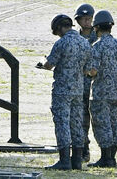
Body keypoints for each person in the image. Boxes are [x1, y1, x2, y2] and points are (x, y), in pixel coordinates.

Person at [36, 14, 92, 171]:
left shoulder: (61, 43)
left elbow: (50, 64)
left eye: (57, 31)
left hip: (62, 90)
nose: (57, 34)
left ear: (60, 28)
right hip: (78, 90)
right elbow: (88, 69)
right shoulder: (85, 43)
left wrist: (43, 64)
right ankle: (77, 161)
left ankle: (64, 161)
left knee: (62, 123)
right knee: (76, 124)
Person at [87, 10, 117, 168]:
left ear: (96, 28)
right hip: (116, 92)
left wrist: (86, 71)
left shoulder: (97, 46)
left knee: (101, 124)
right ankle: (112, 157)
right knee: (113, 123)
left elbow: (93, 71)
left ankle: (106, 158)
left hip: (100, 93)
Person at [74, 3, 97, 162]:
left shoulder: (99, 37)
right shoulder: (74, 37)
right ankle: (83, 148)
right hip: (77, 84)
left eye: (89, 18)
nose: (87, 21)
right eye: (84, 19)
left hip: (95, 85)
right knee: (80, 116)